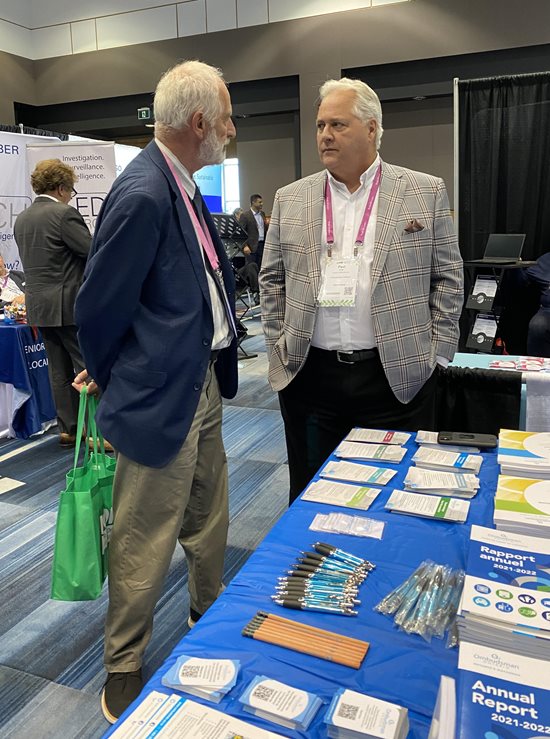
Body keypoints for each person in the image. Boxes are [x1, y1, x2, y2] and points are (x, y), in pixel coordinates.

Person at [73, 60, 238, 724]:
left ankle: (206, 612)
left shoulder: (184, 184)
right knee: (143, 537)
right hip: (155, 397)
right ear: (199, 122)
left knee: (209, 516)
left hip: (200, 382)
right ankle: (123, 663)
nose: (231, 128)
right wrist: (122, 390)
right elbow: (97, 310)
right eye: (226, 117)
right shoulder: (143, 192)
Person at [260, 77, 463, 503]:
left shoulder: (424, 191)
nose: (325, 136)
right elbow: (271, 278)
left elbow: (447, 277)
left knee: (395, 493)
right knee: (312, 494)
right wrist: (280, 343)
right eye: (319, 126)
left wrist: (438, 351)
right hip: (309, 377)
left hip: (396, 378)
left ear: (371, 128)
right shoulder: (291, 199)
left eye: (338, 124)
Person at [13, 159, 91, 446]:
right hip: (69, 305)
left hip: (39, 306)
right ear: (61, 188)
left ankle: (69, 429)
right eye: (71, 190)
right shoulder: (64, 214)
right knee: (88, 367)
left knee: (57, 371)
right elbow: (91, 252)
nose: (72, 195)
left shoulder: (22, 218)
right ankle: (99, 431)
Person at [240, 193, 267, 269]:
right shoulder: (245, 215)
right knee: (251, 269)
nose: (262, 204)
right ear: (253, 202)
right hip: (251, 247)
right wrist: (244, 246)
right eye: (260, 202)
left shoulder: (262, 214)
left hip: (262, 245)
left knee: (261, 268)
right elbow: (241, 232)